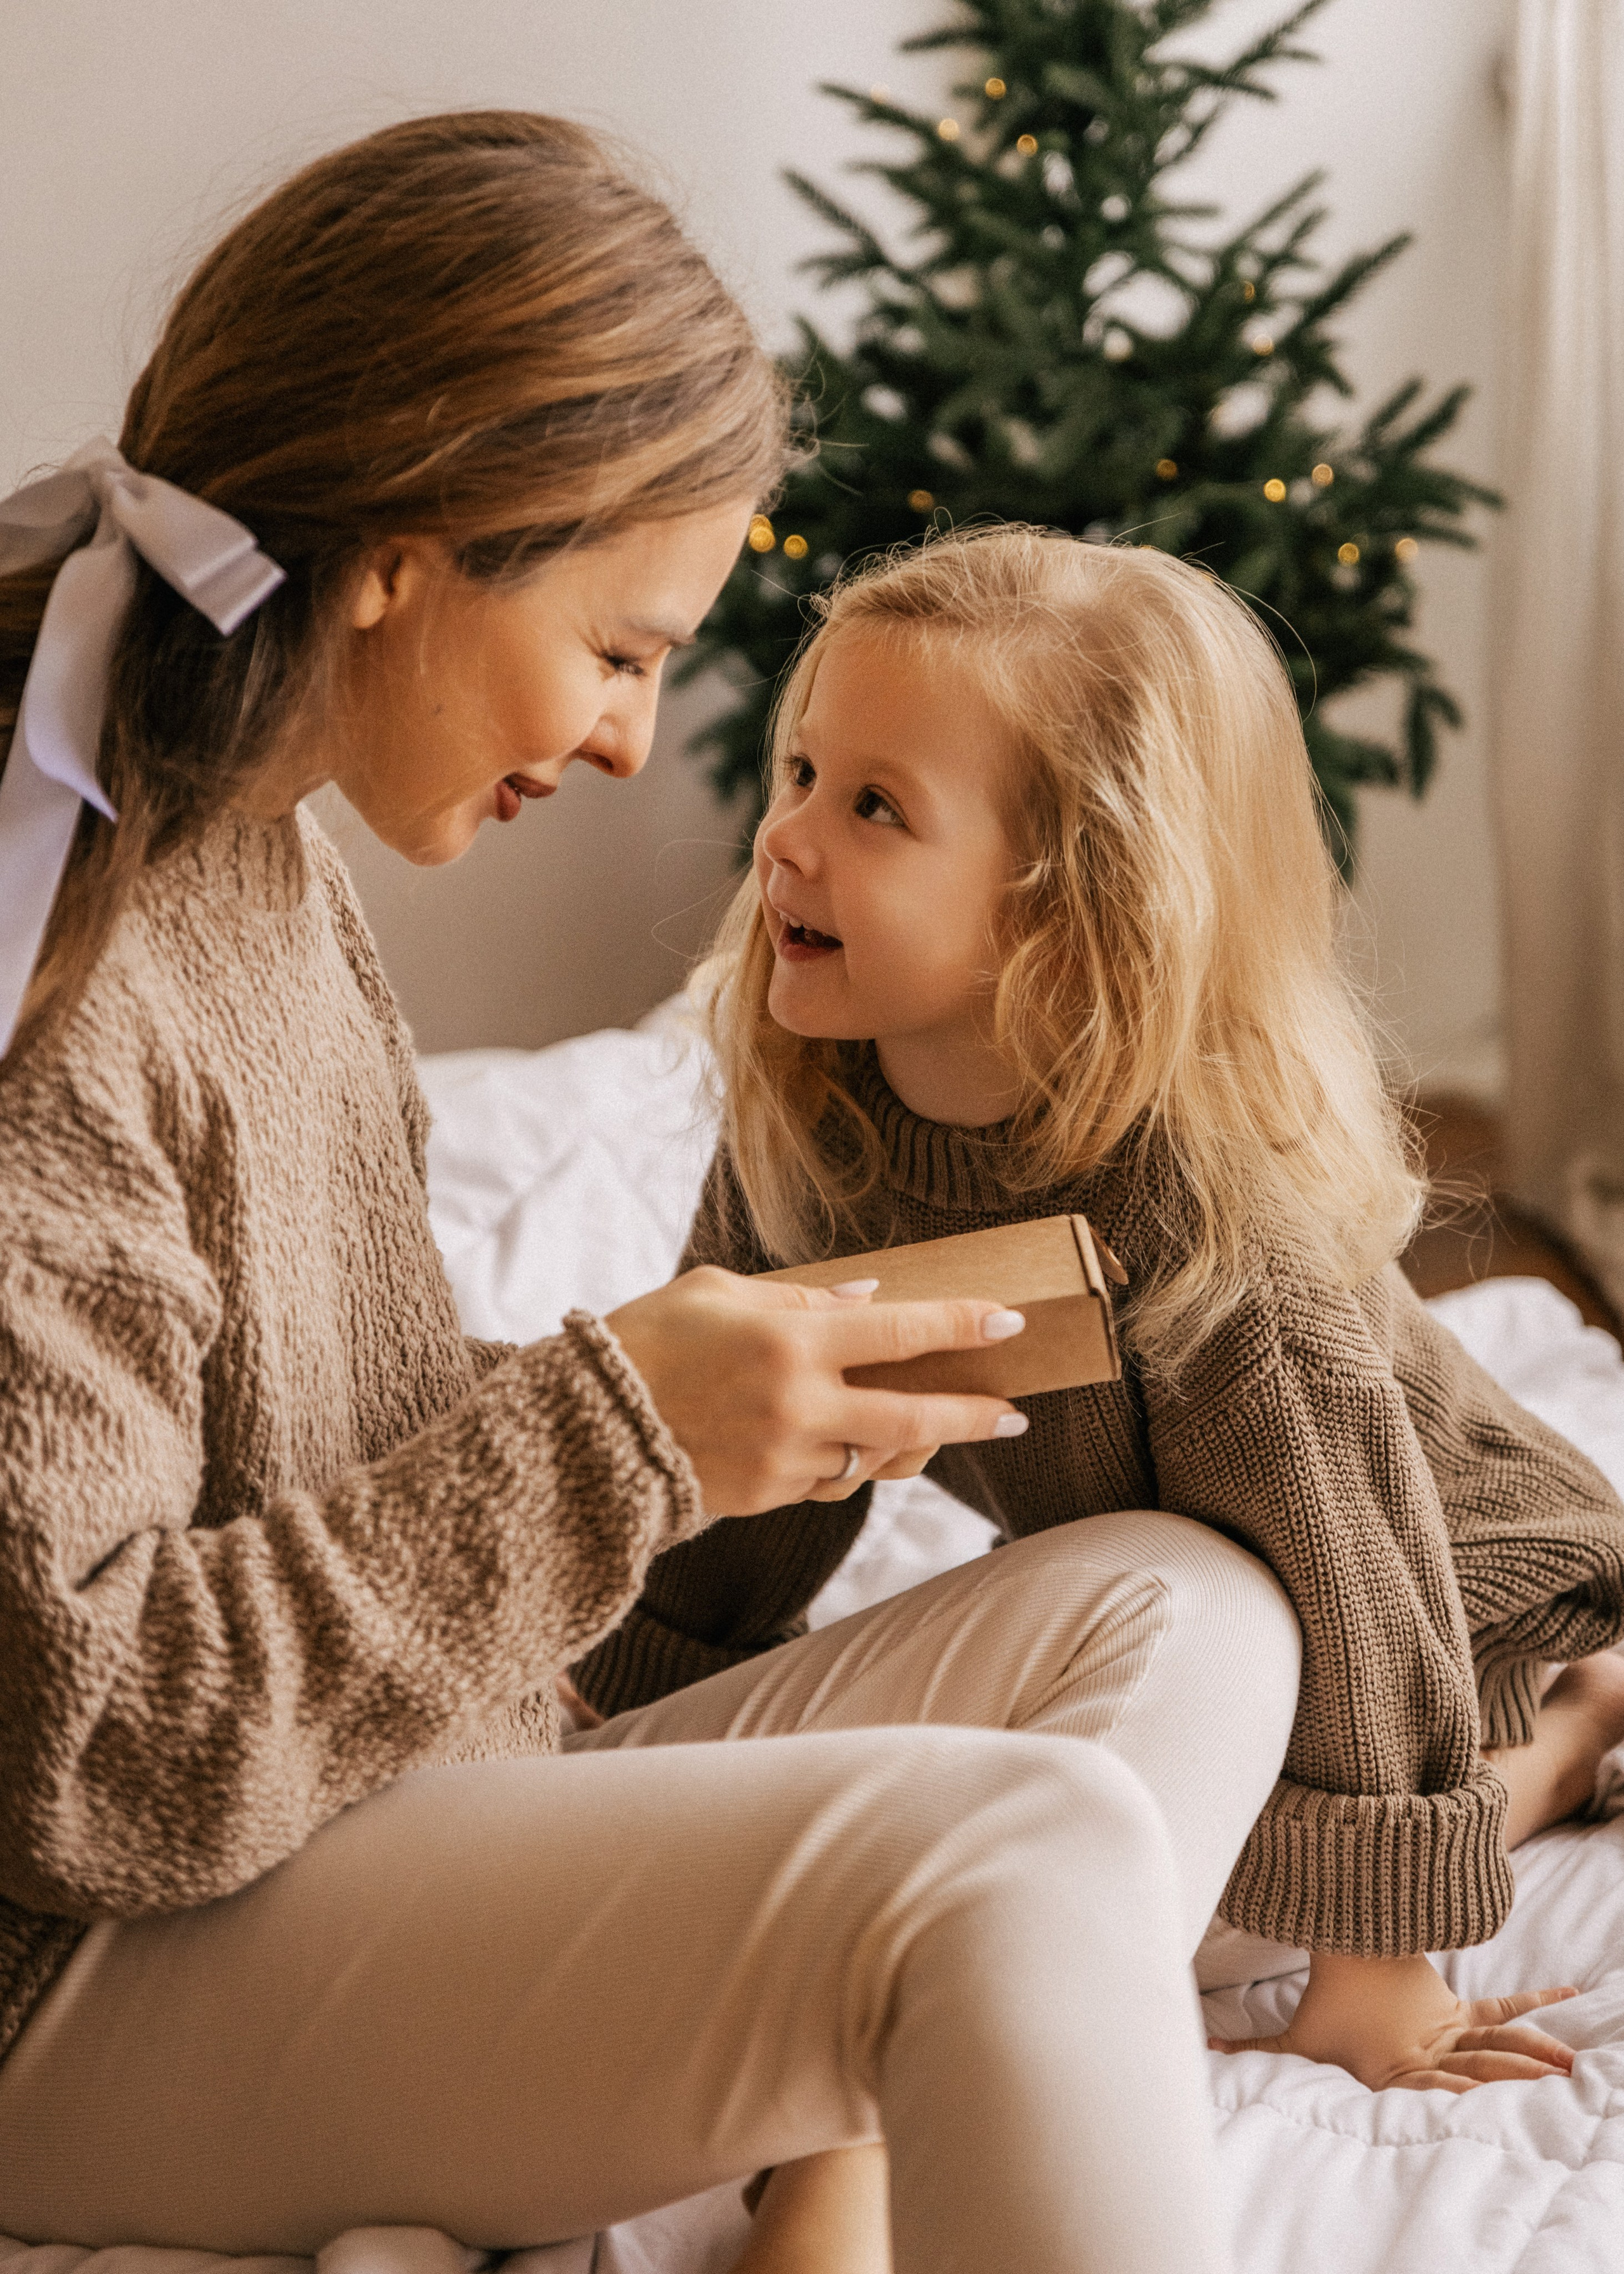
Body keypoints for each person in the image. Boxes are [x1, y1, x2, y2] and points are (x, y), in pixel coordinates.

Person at [0, 112, 1265, 2274]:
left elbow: (309, 1428)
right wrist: (617, 1438)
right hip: (93, 1977)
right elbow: (92, 1749)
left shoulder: (259, 846)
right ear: (410, 552)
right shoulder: (63, 954)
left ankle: (820, 2192)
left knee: (1182, 1604)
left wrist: (703, 1409)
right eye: (619, 644)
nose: (629, 742)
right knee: (1016, 1846)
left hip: (367, 1806)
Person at [579, 524, 1624, 2157]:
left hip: (1439, 1581)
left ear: (1066, 909)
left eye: (873, 808)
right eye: (798, 771)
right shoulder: (813, 1114)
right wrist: (622, 1709)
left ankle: (1572, 1729)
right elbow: (766, 1453)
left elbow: (1347, 1568)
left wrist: (1374, 1967)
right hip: (1194, 1590)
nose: (782, 837)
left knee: (1131, 1892)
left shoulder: (1198, 1212)